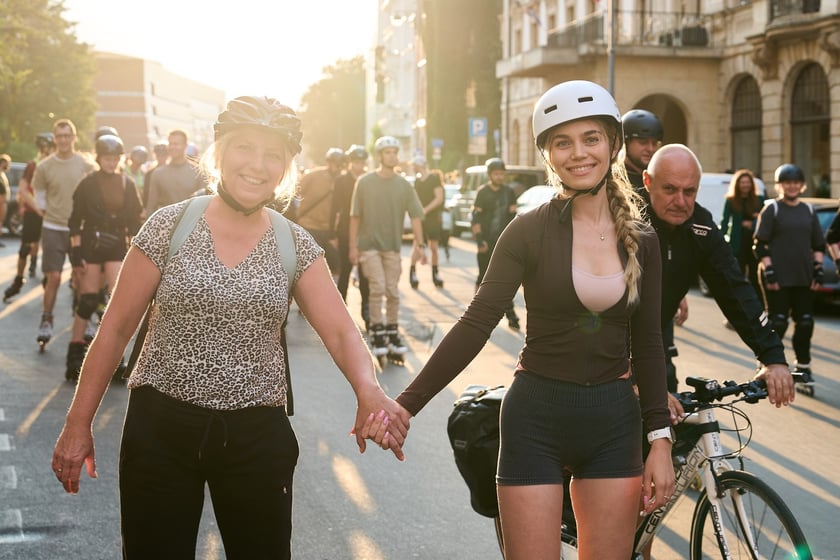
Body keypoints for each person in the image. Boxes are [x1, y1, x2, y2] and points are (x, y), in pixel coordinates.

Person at [51, 96, 408, 559]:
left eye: (273, 155)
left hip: (256, 436)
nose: (257, 165)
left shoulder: (293, 242)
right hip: (160, 428)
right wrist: (78, 424)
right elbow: (116, 329)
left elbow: (341, 332)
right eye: (244, 147)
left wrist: (369, 390)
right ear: (219, 153)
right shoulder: (169, 225)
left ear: (286, 169)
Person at [381, 80, 675, 559]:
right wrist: (406, 404)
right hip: (535, 421)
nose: (578, 153)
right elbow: (477, 323)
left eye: (591, 138)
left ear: (613, 144)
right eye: (563, 142)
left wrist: (659, 439)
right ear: (548, 155)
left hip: (615, 426)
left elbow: (648, 344)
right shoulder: (527, 231)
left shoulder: (642, 238)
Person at [64, 134, 143, 380]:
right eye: (107, 158)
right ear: (99, 158)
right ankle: (75, 351)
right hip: (90, 243)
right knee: (88, 300)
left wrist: (137, 252)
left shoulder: (126, 183)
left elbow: (135, 221)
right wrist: (76, 254)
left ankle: (113, 355)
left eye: (115, 158)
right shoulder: (87, 183)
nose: (111, 162)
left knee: (113, 302)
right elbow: (75, 221)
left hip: (116, 244)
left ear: (120, 158)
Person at [349, 135, 426, 356]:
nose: (392, 156)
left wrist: (419, 245)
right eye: (387, 152)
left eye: (394, 152)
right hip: (368, 245)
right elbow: (354, 216)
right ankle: (377, 330)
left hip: (392, 246)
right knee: (378, 288)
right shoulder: (364, 182)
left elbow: (416, 215)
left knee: (393, 291)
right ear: (379, 156)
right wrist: (353, 247)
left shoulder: (403, 185)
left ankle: (392, 329)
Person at [753, 163, 826, 381]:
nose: (791, 187)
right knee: (779, 322)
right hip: (777, 276)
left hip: (803, 276)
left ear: (802, 185)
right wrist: (770, 272)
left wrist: (818, 270)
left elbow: (819, 245)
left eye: (796, 183)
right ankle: (767, 361)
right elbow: (760, 244)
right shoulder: (772, 209)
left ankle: (803, 365)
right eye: (787, 183)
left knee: (805, 322)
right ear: (780, 186)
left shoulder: (809, 210)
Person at [32, 119, 96, 347]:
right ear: (54, 138)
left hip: (79, 229)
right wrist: (53, 214)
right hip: (53, 227)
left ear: (74, 137)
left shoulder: (86, 165)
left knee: (80, 277)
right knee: (54, 278)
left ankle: (83, 321)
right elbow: (39, 200)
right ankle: (46, 320)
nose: (63, 140)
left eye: (67, 135)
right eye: (59, 136)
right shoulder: (44, 167)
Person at [3, 134, 54, 302]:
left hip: (53, 214)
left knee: (50, 249)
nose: (45, 151)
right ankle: (18, 280)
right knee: (25, 247)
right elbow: (24, 190)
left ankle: (48, 281)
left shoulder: (56, 165)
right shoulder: (33, 165)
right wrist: (37, 208)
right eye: (43, 148)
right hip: (34, 212)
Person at [472, 157, 520, 329]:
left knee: (505, 280)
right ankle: (476, 312)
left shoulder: (509, 192)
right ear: (490, 175)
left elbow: (512, 217)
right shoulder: (483, 192)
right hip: (486, 241)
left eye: (502, 174)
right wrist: (479, 240)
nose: (500, 177)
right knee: (483, 277)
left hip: (504, 243)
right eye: (496, 174)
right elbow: (475, 218)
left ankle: (511, 314)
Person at [332, 144, 370, 321]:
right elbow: (335, 208)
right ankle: (341, 312)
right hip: (345, 231)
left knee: (365, 275)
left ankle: (366, 311)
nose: (359, 165)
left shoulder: (369, 180)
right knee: (345, 272)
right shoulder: (341, 181)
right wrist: (333, 233)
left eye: (361, 162)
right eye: (355, 161)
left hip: (366, 231)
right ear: (350, 162)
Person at [295, 147, 344, 276]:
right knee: (309, 266)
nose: (337, 166)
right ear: (328, 162)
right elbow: (295, 193)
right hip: (308, 225)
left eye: (339, 163)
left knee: (335, 266)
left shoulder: (342, 180)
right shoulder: (313, 175)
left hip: (329, 230)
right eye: (334, 162)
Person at [720, 169, 764, 298]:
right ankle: (738, 309)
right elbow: (725, 221)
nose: (745, 185)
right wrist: (720, 240)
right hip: (738, 243)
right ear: (737, 184)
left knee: (755, 277)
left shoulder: (759, 199)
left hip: (755, 242)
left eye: (748, 182)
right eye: (742, 182)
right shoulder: (731, 200)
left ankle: (759, 308)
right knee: (737, 276)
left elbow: (766, 219)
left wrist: (756, 219)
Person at [144, 130, 207, 214]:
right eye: (170, 144)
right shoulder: (158, 173)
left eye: (176, 144)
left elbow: (204, 204)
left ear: (185, 146)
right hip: (166, 225)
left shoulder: (197, 171)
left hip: (192, 223)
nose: (172, 147)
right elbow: (151, 206)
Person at [408, 155, 445, 289]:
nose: (413, 167)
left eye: (414, 165)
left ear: (420, 165)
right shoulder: (417, 181)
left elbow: (439, 198)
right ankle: (412, 273)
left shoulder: (434, 179)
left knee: (433, 247)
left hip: (432, 217)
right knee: (418, 245)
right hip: (419, 217)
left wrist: (425, 210)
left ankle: (435, 274)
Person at [621, 109, 663, 194]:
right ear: (626, 143)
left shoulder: (659, 179)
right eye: (643, 142)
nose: (650, 149)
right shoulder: (614, 182)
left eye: (654, 143)